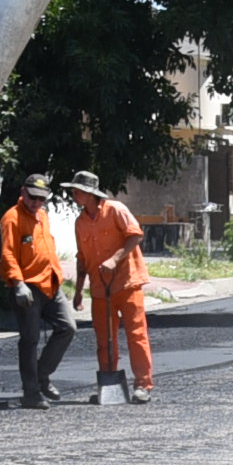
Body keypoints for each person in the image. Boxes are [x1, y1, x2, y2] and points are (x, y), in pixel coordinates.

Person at [69, 172, 154, 405]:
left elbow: (135, 234)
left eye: (77, 191)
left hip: (127, 282)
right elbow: (82, 259)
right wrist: (78, 290)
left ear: (90, 194)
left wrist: (115, 259)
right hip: (100, 288)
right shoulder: (81, 222)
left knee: (136, 334)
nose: (73, 194)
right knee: (104, 339)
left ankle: (142, 385)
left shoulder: (115, 209)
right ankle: (109, 385)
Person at [0, 170, 71, 407]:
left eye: (41, 199)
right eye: (32, 197)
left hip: (50, 283)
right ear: (23, 193)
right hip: (27, 286)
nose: (36, 203)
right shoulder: (12, 218)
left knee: (68, 327)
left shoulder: (43, 215)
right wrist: (18, 284)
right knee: (30, 339)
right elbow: (7, 254)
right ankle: (31, 393)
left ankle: (41, 375)